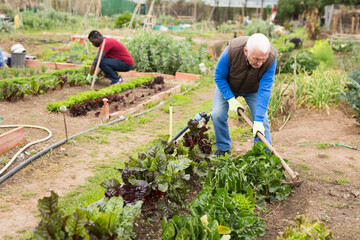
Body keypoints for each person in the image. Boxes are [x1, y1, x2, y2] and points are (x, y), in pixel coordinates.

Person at [211, 33, 277, 157]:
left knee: (263, 121)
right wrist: (230, 99)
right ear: (246, 51)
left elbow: (265, 89)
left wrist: (257, 121)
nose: (260, 63)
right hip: (228, 85)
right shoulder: (232, 51)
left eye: (263, 59)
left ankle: (263, 155)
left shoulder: (271, 59)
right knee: (217, 114)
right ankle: (223, 148)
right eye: (256, 59)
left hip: (253, 89)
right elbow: (218, 76)